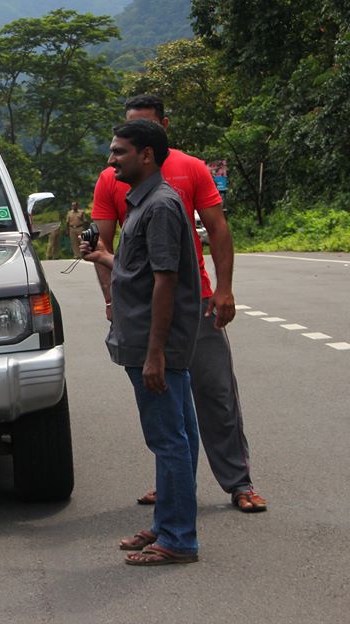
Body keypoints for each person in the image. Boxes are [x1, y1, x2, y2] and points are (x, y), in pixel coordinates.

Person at [91, 95, 267, 513]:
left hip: (194, 302)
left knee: (216, 393)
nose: (120, 152)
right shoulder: (112, 177)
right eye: (130, 125)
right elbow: (102, 244)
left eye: (145, 126)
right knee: (167, 404)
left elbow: (217, 229)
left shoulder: (190, 170)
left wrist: (224, 289)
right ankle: (174, 484)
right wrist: (112, 299)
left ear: (160, 132)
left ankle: (238, 482)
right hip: (144, 308)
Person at [83, 119, 201, 565]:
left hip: (155, 345)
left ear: (146, 155)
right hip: (147, 342)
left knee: (168, 439)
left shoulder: (161, 206)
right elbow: (141, 271)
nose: (111, 159)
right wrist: (103, 257)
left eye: (120, 151)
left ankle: (178, 539)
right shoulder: (143, 202)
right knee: (173, 437)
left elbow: (165, 281)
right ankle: (167, 523)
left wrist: (155, 353)